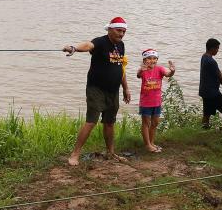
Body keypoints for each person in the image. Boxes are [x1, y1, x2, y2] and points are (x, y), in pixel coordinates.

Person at [63, 17, 132, 166]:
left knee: (109, 123)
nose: (121, 34)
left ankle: (110, 152)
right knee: (91, 121)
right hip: (96, 89)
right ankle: (75, 154)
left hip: (113, 91)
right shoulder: (101, 42)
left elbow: (121, 68)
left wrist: (125, 88)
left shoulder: (121, 45)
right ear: (109, 29)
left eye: (124, 31)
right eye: (118, 30)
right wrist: (74, 48)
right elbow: (88, 45)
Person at [137, 49, 175, 152]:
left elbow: (168, 74)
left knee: (155, 123)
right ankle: (147, 145)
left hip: (157, 102)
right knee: (146, 123)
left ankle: (152, 142)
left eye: (154, 58)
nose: (152, 60)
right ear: (144, 60)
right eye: (149, 58)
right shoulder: (143, 70)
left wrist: (172, 71)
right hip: (145, 102)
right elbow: (138, 74)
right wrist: (141, 69)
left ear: (157, 60)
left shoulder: (160, 69)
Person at [199, 38, 222, 129]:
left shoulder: (204, 57)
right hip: (212, 92)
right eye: (217, 48)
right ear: (212, 48)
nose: (218, 50)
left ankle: (204, 130)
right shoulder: (211, 61)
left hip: (204, 91)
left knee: (207, 113)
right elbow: (220, 77)